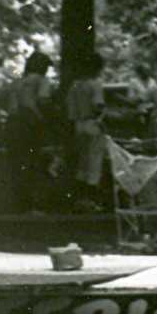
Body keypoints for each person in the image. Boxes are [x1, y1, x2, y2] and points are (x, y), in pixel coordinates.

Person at [5, 51, 54, 211]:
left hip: (13, 123)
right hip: (31, 121)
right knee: (34, 162)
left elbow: (10, 106)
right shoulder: (42, 80)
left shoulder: (17, 82)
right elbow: (43, 100)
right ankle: (34, 204)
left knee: (18, 163)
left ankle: (19, 202)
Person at [64, 52, 108, 208]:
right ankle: (93, 200)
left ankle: (81, 200)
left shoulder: (74, 86)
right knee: (95, 163)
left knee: (83, 163)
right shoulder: (95, 84)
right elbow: (98, 105)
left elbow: (70, 112)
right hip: (93, 124)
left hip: (78, 125)